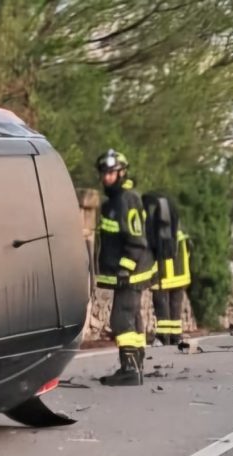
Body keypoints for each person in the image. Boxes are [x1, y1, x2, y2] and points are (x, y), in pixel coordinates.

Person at [94, 149, 157, 386]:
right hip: (130, 271)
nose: (106, 177)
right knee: (133, 316)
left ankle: (130, 369)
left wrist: (124, 268)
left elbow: (136, 240)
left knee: (121, 318)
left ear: (122, 173)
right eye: (104, 173)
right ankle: (136, 366)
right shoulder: (113, 202)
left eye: (111, 173)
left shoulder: (126, 200)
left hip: (131, 272)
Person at [142, 193, 191, 346]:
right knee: (175, 306)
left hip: (162, 276)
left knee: (161, 304)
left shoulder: (155, 227)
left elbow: (151, 252)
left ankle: (163, 337)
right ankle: (176, 336)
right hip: (181, 276)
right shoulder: (178, 229)